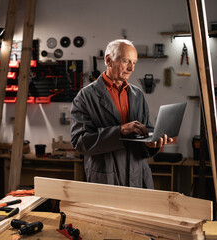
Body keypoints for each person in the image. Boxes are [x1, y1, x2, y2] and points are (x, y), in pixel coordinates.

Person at [70, 39, 173, 189]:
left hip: (137, 175)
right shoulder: (85, 97)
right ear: (108, 60)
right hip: (106, 177)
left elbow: (146, 132)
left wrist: (153, 142)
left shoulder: (137, 94)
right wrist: (120, 131)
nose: (131, 68)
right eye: (126, 61)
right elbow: (80, 142)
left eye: (134, 62)